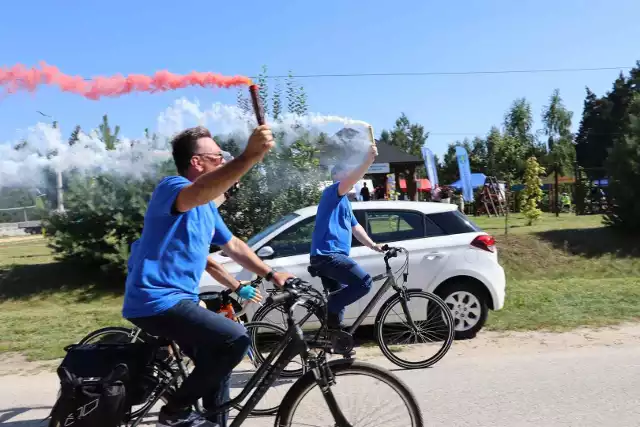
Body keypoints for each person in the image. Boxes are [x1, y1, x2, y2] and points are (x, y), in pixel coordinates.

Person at [122, 125, 295, 427]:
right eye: (218, 157)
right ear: (196, 162)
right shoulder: (172, 187)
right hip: (156, 300)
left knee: (216, 364)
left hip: (181, 300)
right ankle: (174, 414)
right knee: (235, 339)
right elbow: (199, 192)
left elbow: (234, 245)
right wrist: (249, 156)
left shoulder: (207, 209)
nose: (224, 161)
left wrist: (271, 273)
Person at [309, 144, 384, 331]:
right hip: (328, 255)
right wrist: (368, 160)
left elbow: (356, 227)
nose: (351, 177)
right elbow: (351, 180)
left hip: (332, 256)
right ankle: (328, 309)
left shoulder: (345, 203)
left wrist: (374, 246)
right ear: (336, 176)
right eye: (346, 174)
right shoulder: (331, 193)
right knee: (364, 283)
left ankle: (332, 341)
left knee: (338, 303)